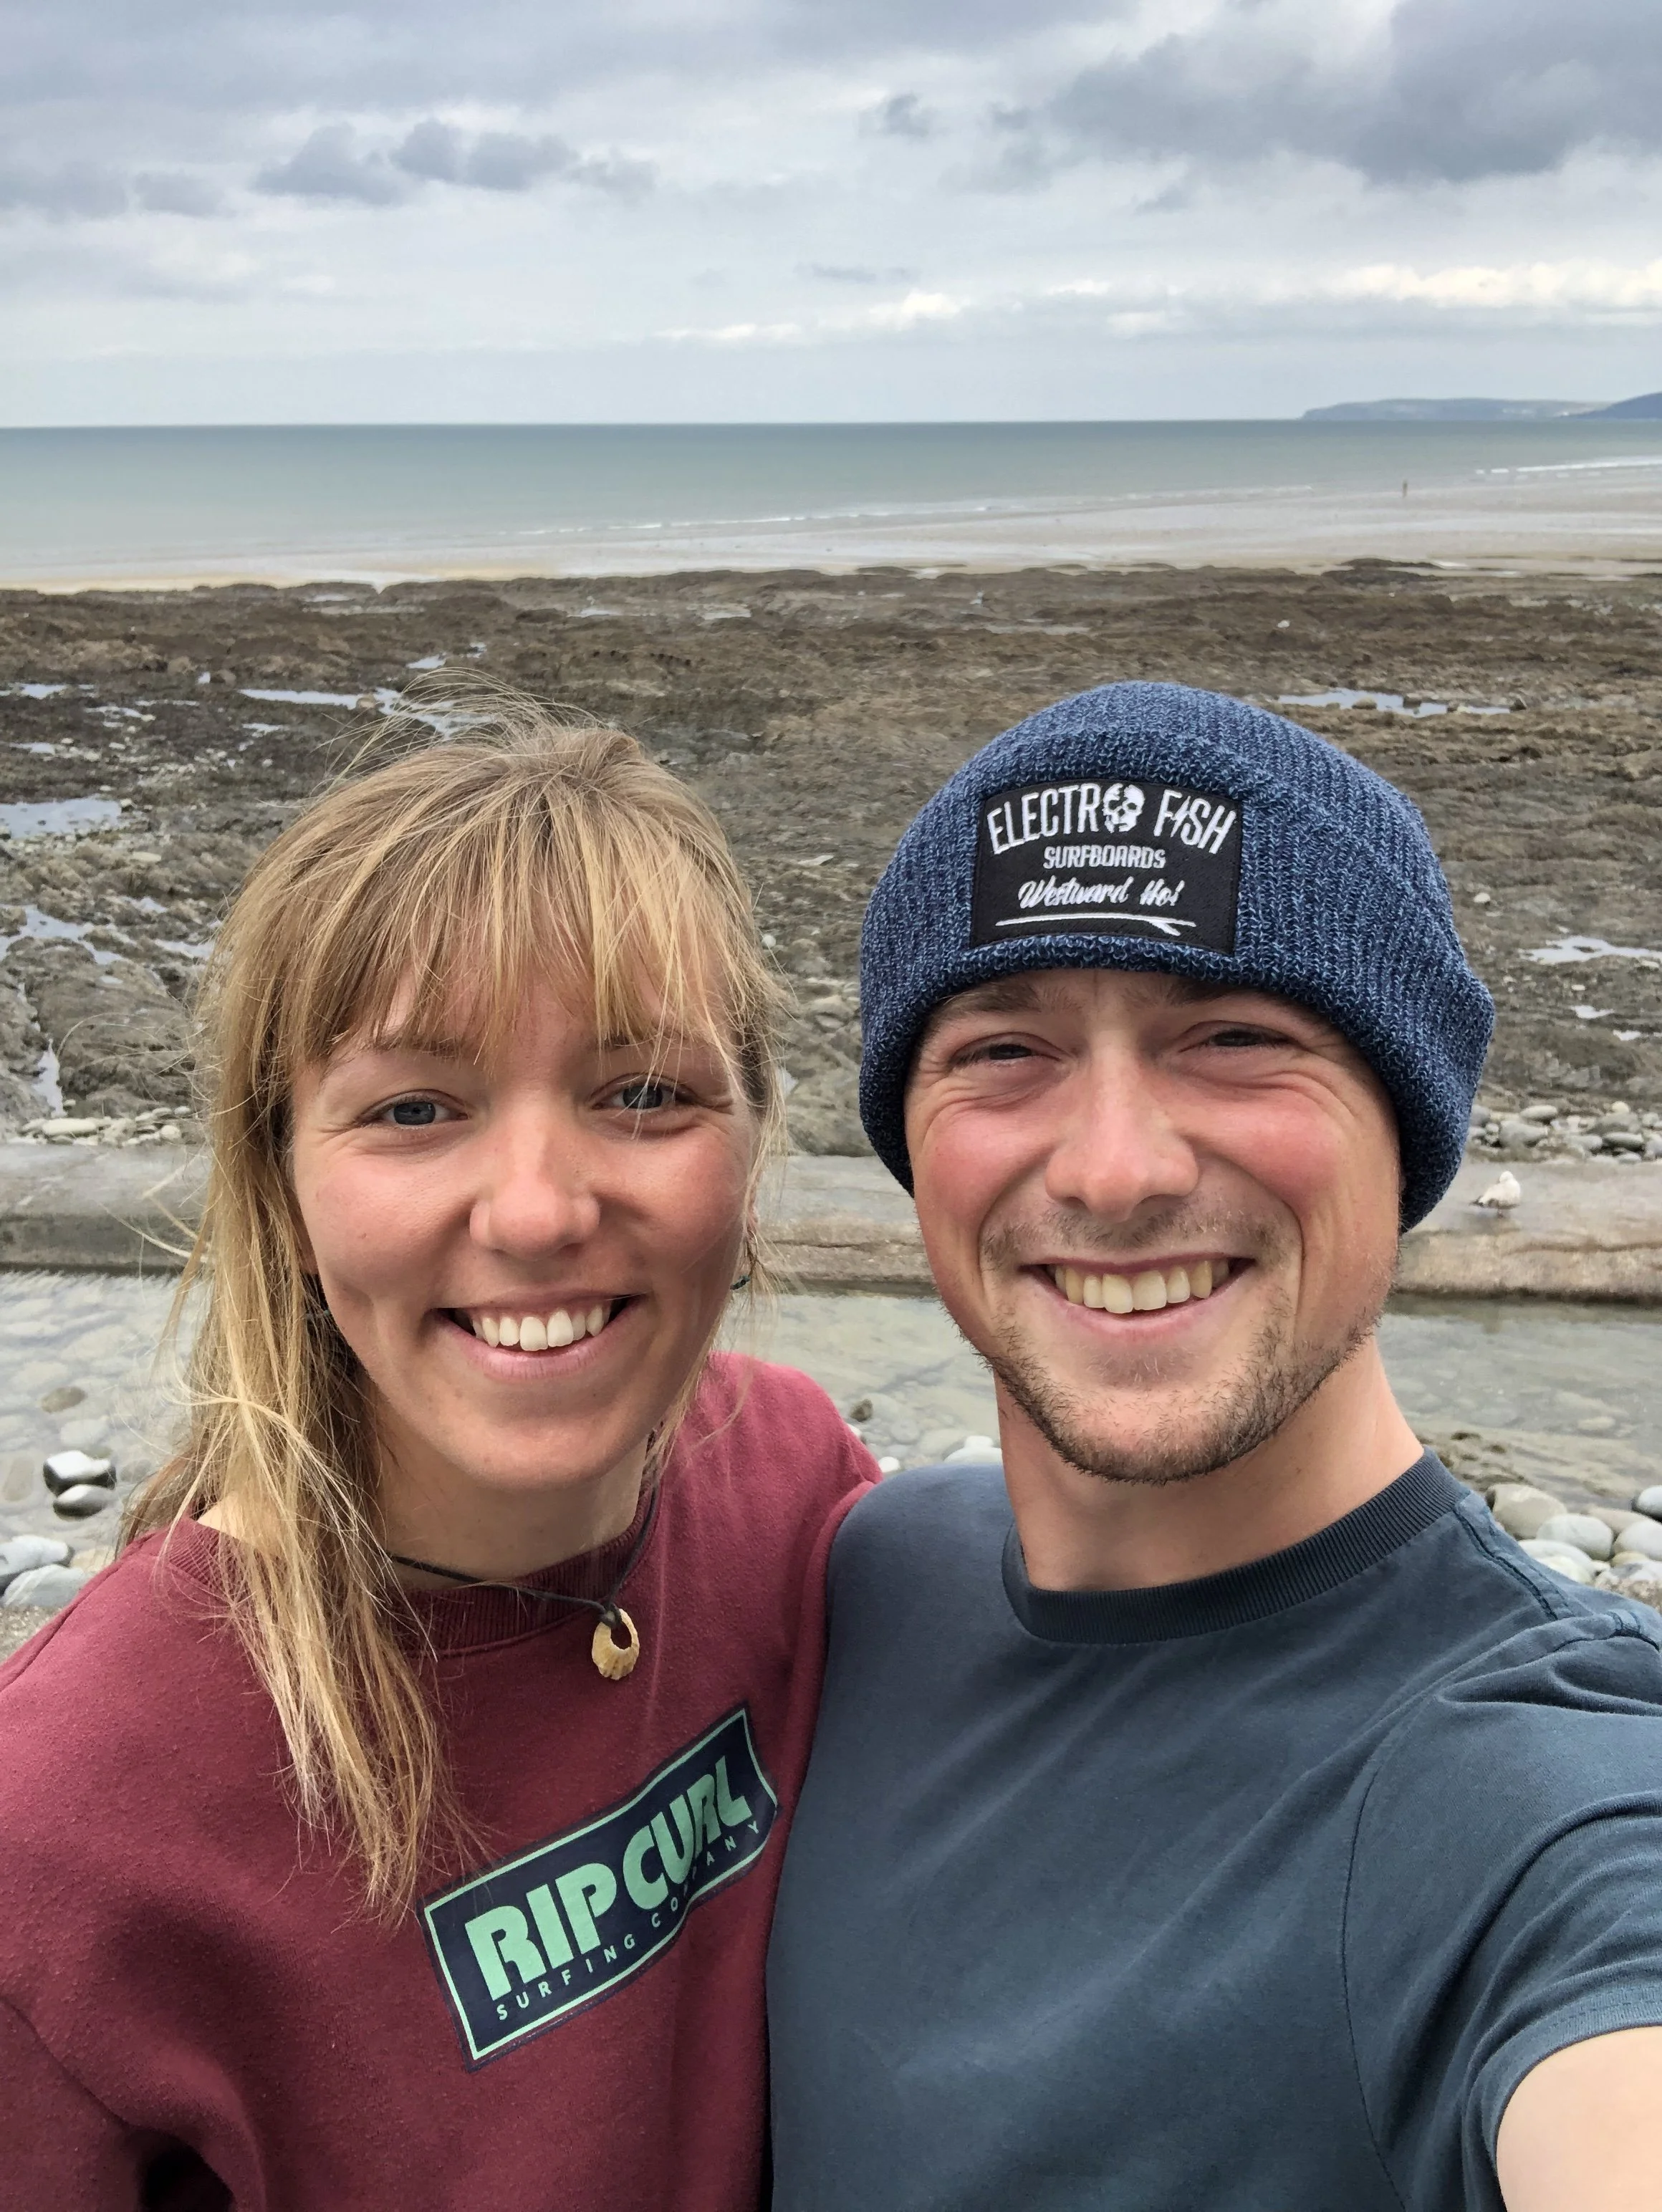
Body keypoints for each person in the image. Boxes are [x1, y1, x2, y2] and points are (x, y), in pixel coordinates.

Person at [767, 681, 1662, 2212]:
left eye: (1235, 1037)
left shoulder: (1527, 1794)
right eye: (1001, 1051)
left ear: (1412, 1125)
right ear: (906, 1140)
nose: (1114, 1170)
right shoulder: (863, 1574)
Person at [0, 695, 874, 2208]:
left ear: (751, 1141)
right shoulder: (68, 1827)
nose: (535, 1209)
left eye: (643, 1092)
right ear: (279, 1178)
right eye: (414, 1108)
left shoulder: (792, 1481)